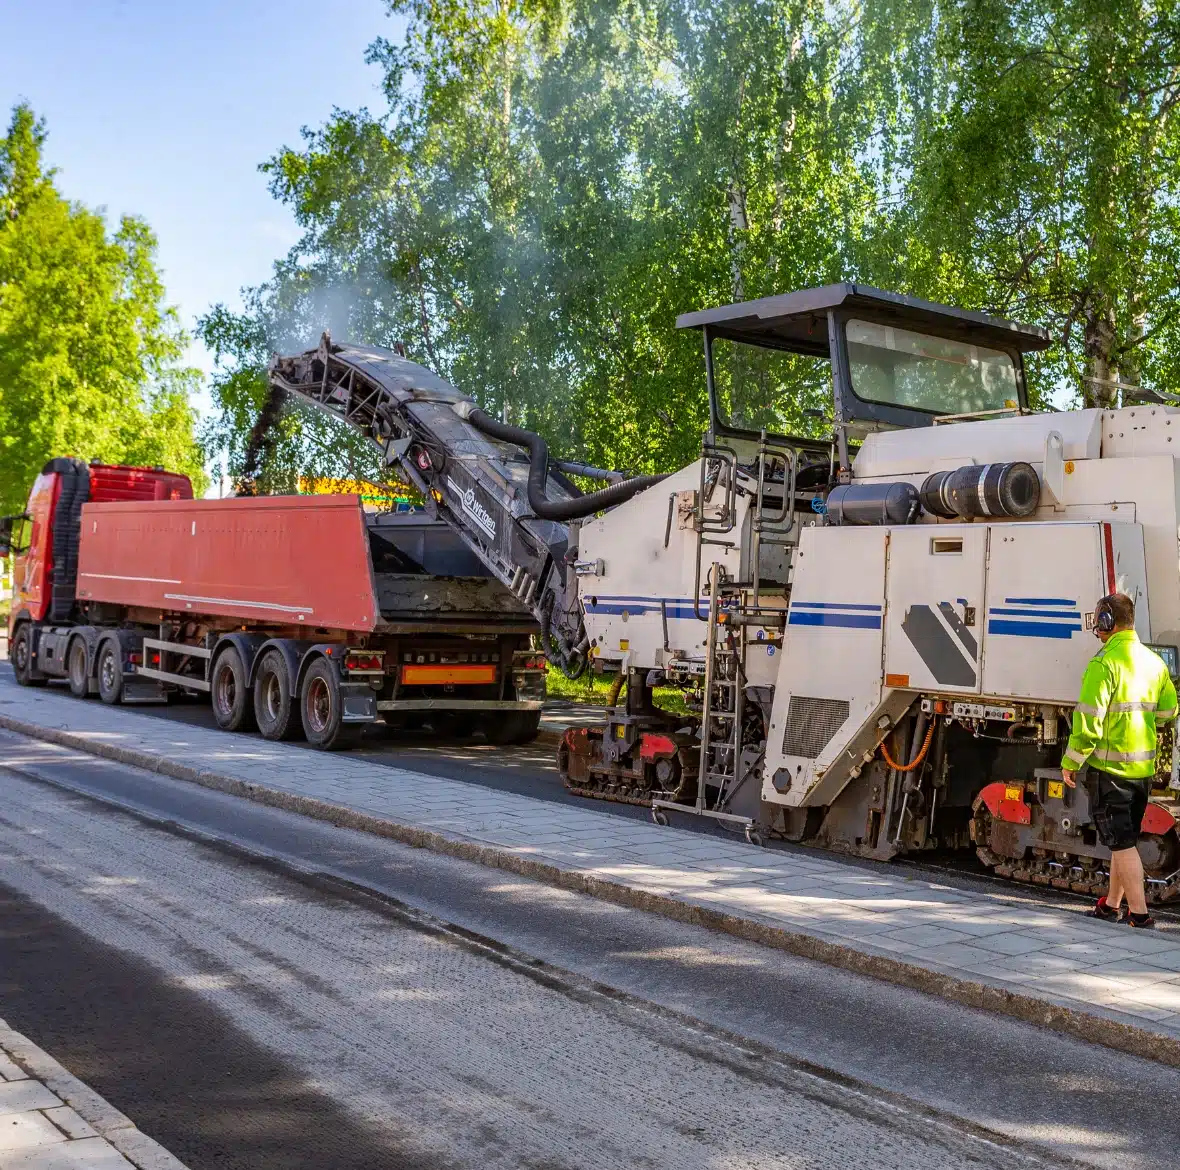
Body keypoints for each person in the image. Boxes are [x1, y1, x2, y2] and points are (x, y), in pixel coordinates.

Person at [1061, 593, 1177, 928]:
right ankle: (1111, 905)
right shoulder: (1155, 663)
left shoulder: (1103, 664)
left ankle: (1140, 915)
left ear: (1105, 622)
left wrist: (1071, 762)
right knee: (1122, 840)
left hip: (1110, 771)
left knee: (1123, 844)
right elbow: (1168, 712)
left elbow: (1088, 723)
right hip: (1142, 771)